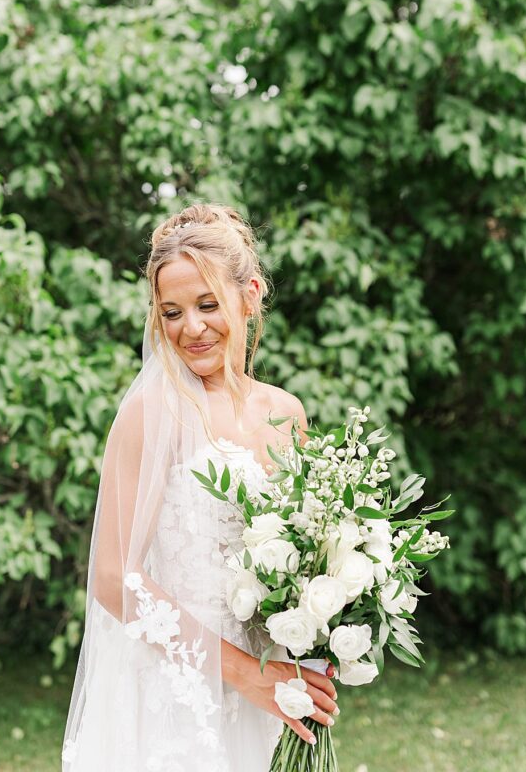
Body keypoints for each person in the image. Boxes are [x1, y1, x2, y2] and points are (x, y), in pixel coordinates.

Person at [61, 203, 339, 771]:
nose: (191, 327)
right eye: (171, 312)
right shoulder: (149, 414)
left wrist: (322, 642)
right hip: (175, 695)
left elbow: (311, 560)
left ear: (251, 293)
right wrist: (239, 672)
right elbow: (115, 580)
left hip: (270, 689)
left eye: (208, 304)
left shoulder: (287, 413)